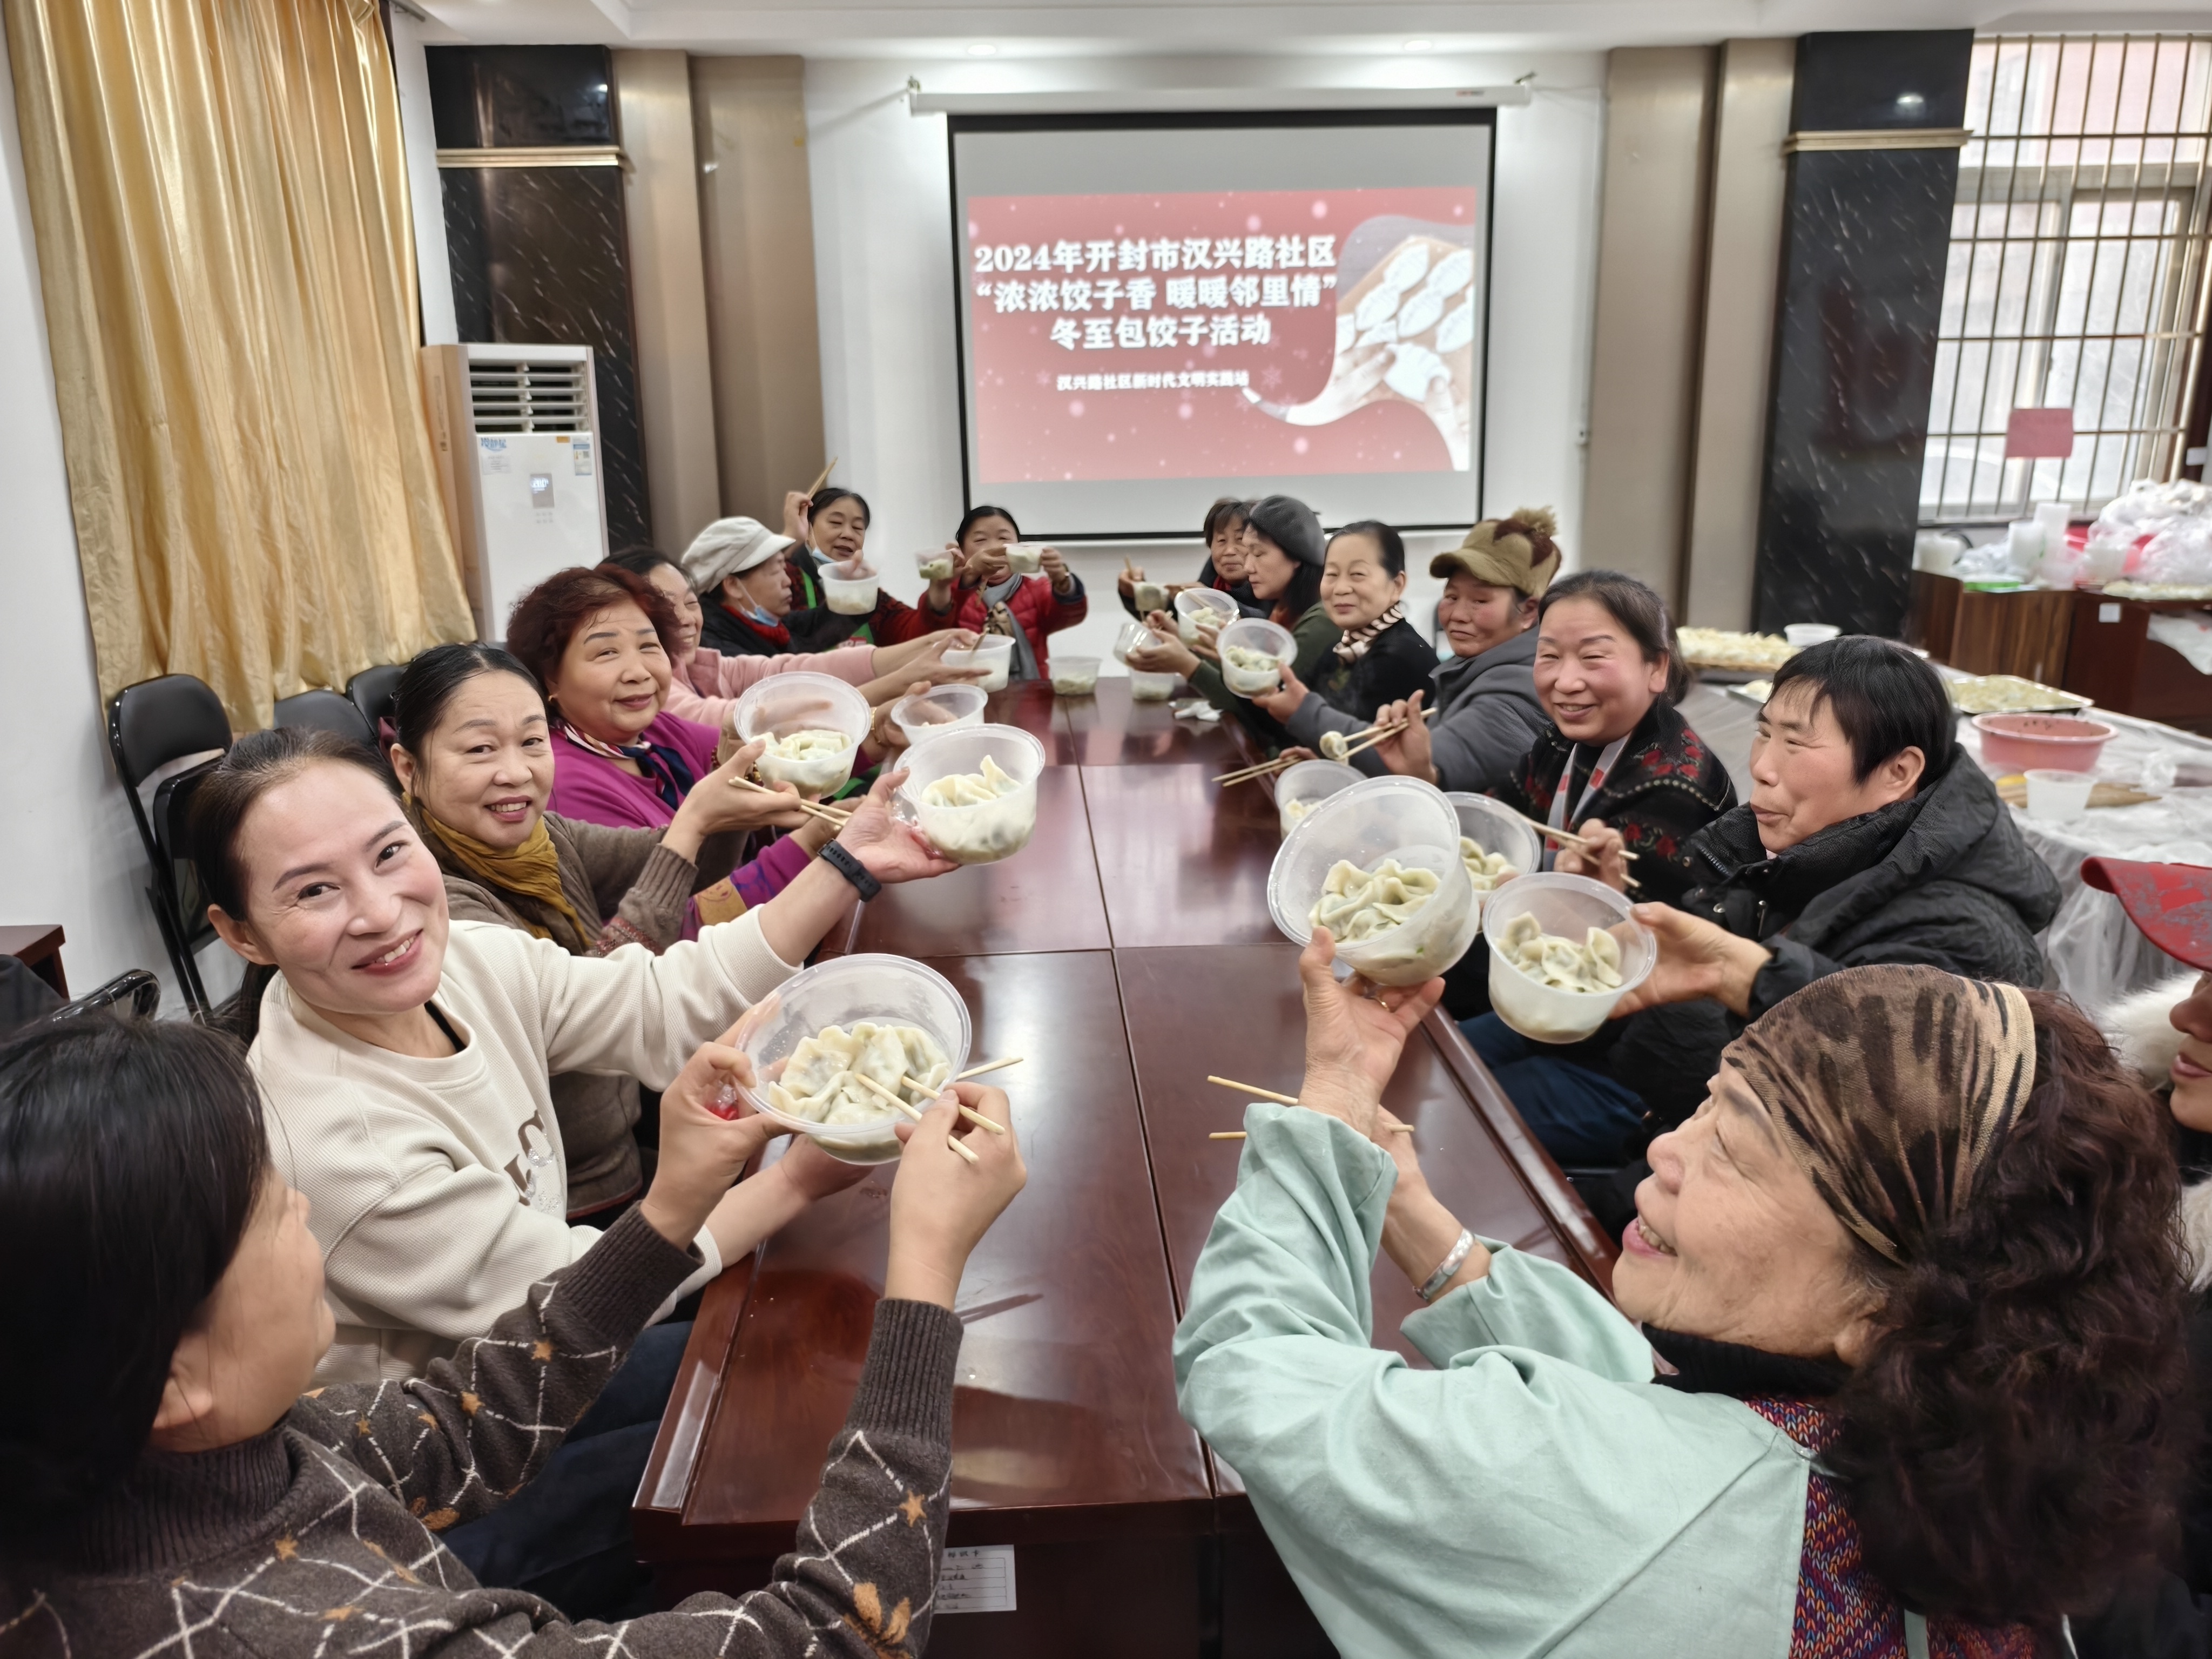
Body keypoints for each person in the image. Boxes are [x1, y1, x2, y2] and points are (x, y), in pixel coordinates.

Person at [1176, 935, 2190, 1656]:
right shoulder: (1974, 1464)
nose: (1665, 1148)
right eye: (1710, 1100)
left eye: (1738, 1151)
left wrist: (1336, 1099)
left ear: (1884, 1308)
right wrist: (1423, 1225)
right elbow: (1652, 1408)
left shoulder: (1592, 1502)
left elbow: (1252, 1370)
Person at [0, 1009, 1026, 1654]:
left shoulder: (142, 1448)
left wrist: (667, 1209)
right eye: (272, 1211)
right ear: (171, 1374)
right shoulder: (318, 1635)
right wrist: (924, 1277)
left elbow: (458, 1424)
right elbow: (837, 1636)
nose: (303, 1214)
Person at [190, 724, 955, 1385]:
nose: (382, 913)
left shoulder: (469, 960)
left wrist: (850, 863)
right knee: (798, 1363)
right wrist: (796, 1178)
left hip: (567, 1330)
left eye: (390, 852)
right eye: (316, 892)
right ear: (242, 935)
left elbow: (659, 1003)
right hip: (466, 1439)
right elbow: (586, 1298)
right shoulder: (343, 1149)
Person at [1469, 636, 2061, 1173]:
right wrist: (1606, 911)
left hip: (1733, 1166)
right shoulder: (1793, 847)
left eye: (1796, 744)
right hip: (1669, 1102)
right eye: (1764, 732)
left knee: (1467, 1129)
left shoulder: (1964, 935)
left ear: (1896, 772)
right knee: (1450, 1070)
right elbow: (1678, 987)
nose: (1760, 767)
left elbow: (1879, 1099)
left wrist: (1747, 977)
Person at [386, 641, 821, 1219]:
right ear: (408, 768)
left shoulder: (542, 837)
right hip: (564, 1204)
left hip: (635, 1150)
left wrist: (725, 803)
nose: (514, 772)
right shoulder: (433, 903)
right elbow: (597, 1002)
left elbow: (663, 863)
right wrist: (695, 821)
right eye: (480, 748)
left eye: (532, 742)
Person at [1490, 569, 1734, 910]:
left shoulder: (1675, 790)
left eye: (1593, 657)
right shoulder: (1561, 739)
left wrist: (1513, 899)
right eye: (1549, 656)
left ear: (1657, 668)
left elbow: (1637, 933)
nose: (1566, 682)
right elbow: (1500, 821)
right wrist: (1424, 772)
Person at [602, 546, 983, 730]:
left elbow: (794, 670)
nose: (686, 619)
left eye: (690, 602)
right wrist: (897, 684)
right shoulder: (650, 689)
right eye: (773, 572)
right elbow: (740, 720)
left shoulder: (698, 663)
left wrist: (932, 645)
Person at [1311, 509, 1556, 792]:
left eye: (1480, 600)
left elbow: (1431, 764)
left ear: (1528, 612)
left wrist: (1298, 709)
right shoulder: (1466, 667)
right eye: (1451, 596)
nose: (1458, 615)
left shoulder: (1522, 690)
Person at [1127, 493, 1339, 750]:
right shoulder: (1284, 613)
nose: (1247, 566)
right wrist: (1187, 639)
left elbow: (1267, 716)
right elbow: (1249, 691)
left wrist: (1188, 664)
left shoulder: (1318, 623)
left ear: (1296, 556)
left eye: (1257, 554)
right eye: (1222, 542)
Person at [1249, 520, 1436, 728]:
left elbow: (1349, 747)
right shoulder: (1342, 647)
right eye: (1332, 574)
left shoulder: (1400, 658)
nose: (1340, 588)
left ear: (1397, 585)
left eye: (1357, 574)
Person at [920, 503, 1088, 681]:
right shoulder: (951, 595)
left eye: (1004, 538)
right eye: (980, 540)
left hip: (1030, 697)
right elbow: (929, 629)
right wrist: (965, 577)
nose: (995, 548)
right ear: (960, 551)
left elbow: (1070, 614)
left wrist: (1063, 581)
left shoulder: (1037, 591)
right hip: (970, 693)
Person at [1118, 495, 1264, 621]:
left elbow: (1271, 622)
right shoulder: (1212, 580)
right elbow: (1177, 617)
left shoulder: (1272, 585)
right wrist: (1136, 592)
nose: (1229, 551)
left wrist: (1214, 602)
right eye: (1221, 541)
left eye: (1240, 539)